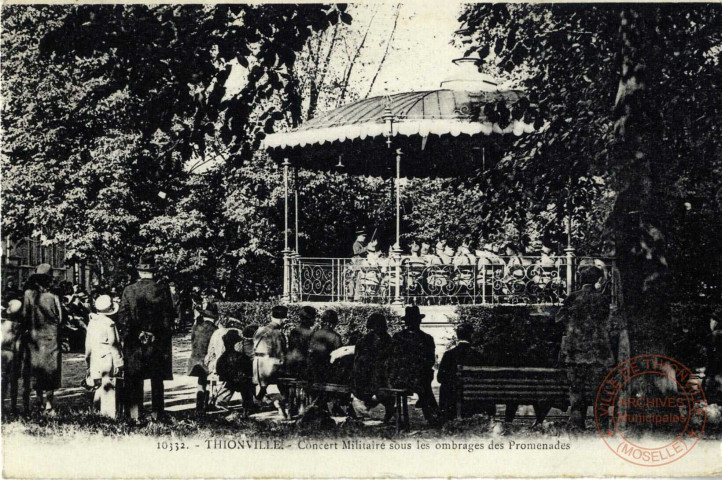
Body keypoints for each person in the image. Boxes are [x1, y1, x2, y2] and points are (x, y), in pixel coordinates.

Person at [116, 256, 175, 421]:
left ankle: (136, 415)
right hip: (157, 343)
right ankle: (157, 414)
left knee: (134, 379)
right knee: (157, 380)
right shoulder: (163, 289)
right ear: (153, 272)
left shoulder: (129, 290)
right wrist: (156, 334)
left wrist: (134, 335)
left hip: (135, 344)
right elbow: (168, 318)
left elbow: (122, 318)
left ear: (140, 271)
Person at [556, 266, 614, 430]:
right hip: (597, 353)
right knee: (600, 393)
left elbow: (558, 318)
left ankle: (577, 425)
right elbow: (608, 322)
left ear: (581, 279)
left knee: (576, 393)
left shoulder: (573, 297)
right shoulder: (602, 299)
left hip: (575, 353)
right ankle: (602, 426)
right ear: (597, 280)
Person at [21, 263, 63, 414]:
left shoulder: (28, 295)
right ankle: (49, 405)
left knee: (37, 371)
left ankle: (38, 401)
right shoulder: (54, 297)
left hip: (34, 339)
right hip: (51, 338)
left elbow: (24, 317)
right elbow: (61, 319)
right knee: (51, 371)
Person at [388, 306, 440, 425]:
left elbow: (392, 359)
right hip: (420, 379)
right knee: (425, 387)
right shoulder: (427, 338)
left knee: (423, 385)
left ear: (406, 322)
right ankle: (432, 416)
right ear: (420, 321)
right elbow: (430, 361)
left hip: (399, 379)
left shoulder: (397, 337)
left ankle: (431, 413)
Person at [437, 323, 489, 421]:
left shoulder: (448, 355)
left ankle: (447, 418)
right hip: (473, 399)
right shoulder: (478, 356)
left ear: (458, 336)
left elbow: (440, 378)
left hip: (452, 399)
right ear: (471, 335)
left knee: (444, 387)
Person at [84, 295, 124, 417]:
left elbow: (88, 345)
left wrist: (87, 361)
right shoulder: (110, 324)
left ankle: (95, 412)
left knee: (98, 386)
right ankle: (109, 415)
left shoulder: (92, 322)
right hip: (108, 358)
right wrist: (119, 362)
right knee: (108, 386)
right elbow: (113, 344)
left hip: (95, 357)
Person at [353, 312, 395, 423]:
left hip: (372, 377)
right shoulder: (387, 339)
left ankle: (375, 405)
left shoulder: (365, 340)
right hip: (374, 377)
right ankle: (388, 408)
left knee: (377, 387)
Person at [216, 326, 258, 415]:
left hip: (228, 376)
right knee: (247, 384)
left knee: (233, 384)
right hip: (239, 378)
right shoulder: (239, 356)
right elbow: (246, 368)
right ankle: (247, 407)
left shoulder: (223, 356)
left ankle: (222, 400)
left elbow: (219, 369)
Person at [253, 305, 288, 408]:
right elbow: (281, 352)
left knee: (266, 383)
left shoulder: (259, 330)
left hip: (256, 364)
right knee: (285, 375)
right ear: (283, 319)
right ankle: (285, 401)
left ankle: (258, 399)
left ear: (271, 317)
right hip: (269, 365)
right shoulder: (277, 333)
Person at [186, 303, 219, 411]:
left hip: (194, 359)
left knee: (201, 380)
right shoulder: (215, 329)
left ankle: (199, 405)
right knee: (212, 380)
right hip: (207, 361)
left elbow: (192, 341)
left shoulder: (196, 326)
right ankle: (209, 403)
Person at [307, 310, 343, 383]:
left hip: (314, 372)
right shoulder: (336, 337)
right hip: (329, 373)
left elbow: (309, 352)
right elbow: (339, 356)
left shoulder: (314, 334)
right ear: (333, 323)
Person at [2, 299, 24, 414]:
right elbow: (19, 345)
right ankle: (13, 406)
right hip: (14, 355)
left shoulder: (3, 324)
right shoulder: (18, 327)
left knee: (3, 381)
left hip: (4, 354)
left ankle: (2, 406)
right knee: (14, 382)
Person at [286, 306, 316, 380]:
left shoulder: (293, 331)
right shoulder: (311, 333)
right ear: (308, 319)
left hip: (292, 365)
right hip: (304, 367)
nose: (314, 320)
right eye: (313, 317)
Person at [703, 308, 722, 406]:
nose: (711, 322)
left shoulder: (714, 335)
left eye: (712, 320)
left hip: (715, 369)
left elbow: (712, 356)